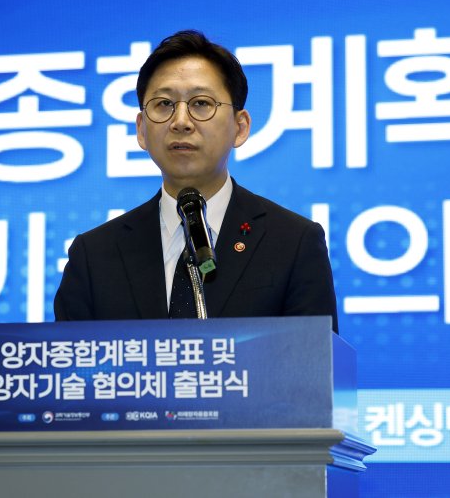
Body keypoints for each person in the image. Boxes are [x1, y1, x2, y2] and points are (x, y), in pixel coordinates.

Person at [54, 30, 338, 333]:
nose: (180, 121)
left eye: (201, 103)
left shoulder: (293, 242)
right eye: (164, 104)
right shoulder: (94, 255)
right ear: (141, 129)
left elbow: (315, 358)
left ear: (240, 127)